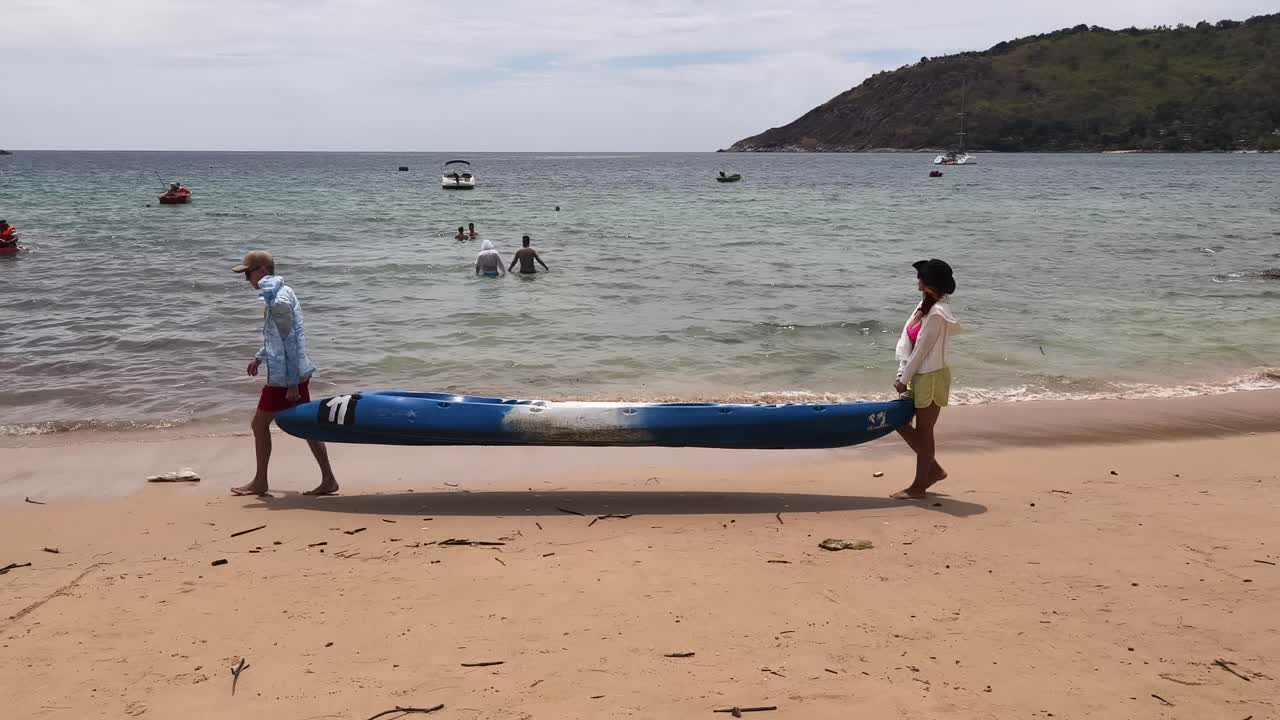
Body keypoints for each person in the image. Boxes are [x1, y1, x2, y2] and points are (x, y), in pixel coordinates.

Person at [229, 250, 339, 497]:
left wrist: (291, 385)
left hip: (286, 378)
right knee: (309, 426)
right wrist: (260, 356)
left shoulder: (278, 300)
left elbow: (289, 343)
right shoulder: (281, 292)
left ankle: (260, 482)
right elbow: (277, 337)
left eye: (247, 274)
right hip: (295, 372)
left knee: (259, 425)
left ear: (263, 271)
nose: (247, 280)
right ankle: (329, 479)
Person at [891, 258, 959, 500]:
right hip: (916, 375)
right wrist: (902, 373)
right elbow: (906, 342)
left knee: (924, 431)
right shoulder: (922, 307)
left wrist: (903, 378)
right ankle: (934, 470)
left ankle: (919, 487)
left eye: (920, 276)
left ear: (928, 283)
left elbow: (922, 350)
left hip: (931, 376)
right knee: (898, 421)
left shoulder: (939, 313)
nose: (916, 280)